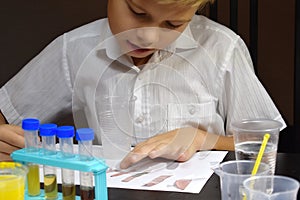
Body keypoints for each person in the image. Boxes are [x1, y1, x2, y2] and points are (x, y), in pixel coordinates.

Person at [0, 0, 286, 169]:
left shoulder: (221, 47)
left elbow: (263, 143)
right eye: (137, 12)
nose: (148, 38)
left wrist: (202, 140)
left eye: (173, 25)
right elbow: (6, 114)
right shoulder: (73, 49)